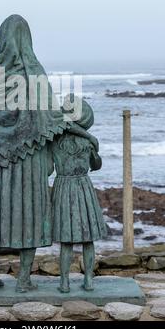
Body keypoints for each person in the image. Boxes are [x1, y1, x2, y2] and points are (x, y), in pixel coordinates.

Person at [0, 15, 99, 292]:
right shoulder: (33, 72)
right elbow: (52, 118)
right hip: (29, 160)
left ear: (4, 39)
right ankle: (22, 279)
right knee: (29, 218)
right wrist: (84, 131)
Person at [50, 96, 107, 293]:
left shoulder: (54, 138)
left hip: (65, 185)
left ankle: (65, 282)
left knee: (69, 240)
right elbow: (96, 166)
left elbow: (48, 169)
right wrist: (92, 141)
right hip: (82, 186)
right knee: (86, 238)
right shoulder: (86, 139)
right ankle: (86, 279)